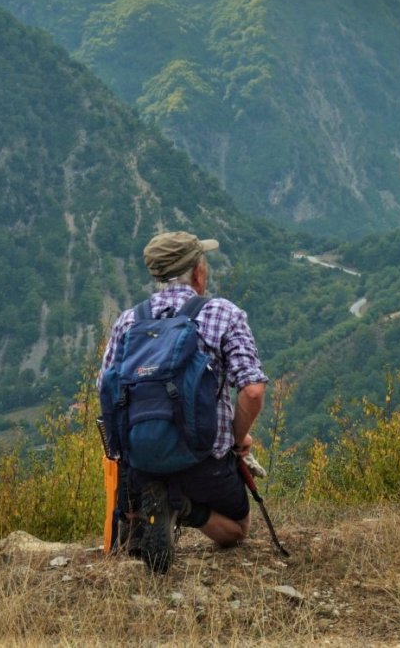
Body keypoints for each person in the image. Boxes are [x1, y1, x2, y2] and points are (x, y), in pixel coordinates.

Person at [99, 230, 268, 566]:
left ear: (158, 275)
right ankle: (184, 509)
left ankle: (147, 509)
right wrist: (236, 440)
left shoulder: (129, 321)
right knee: (238, 529)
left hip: (141, 461)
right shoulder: (222, 313)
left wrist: (125, 459)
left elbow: (106, 389)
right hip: (203, 461)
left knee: (129, 547)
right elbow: (252, 390)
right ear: (198, 271)